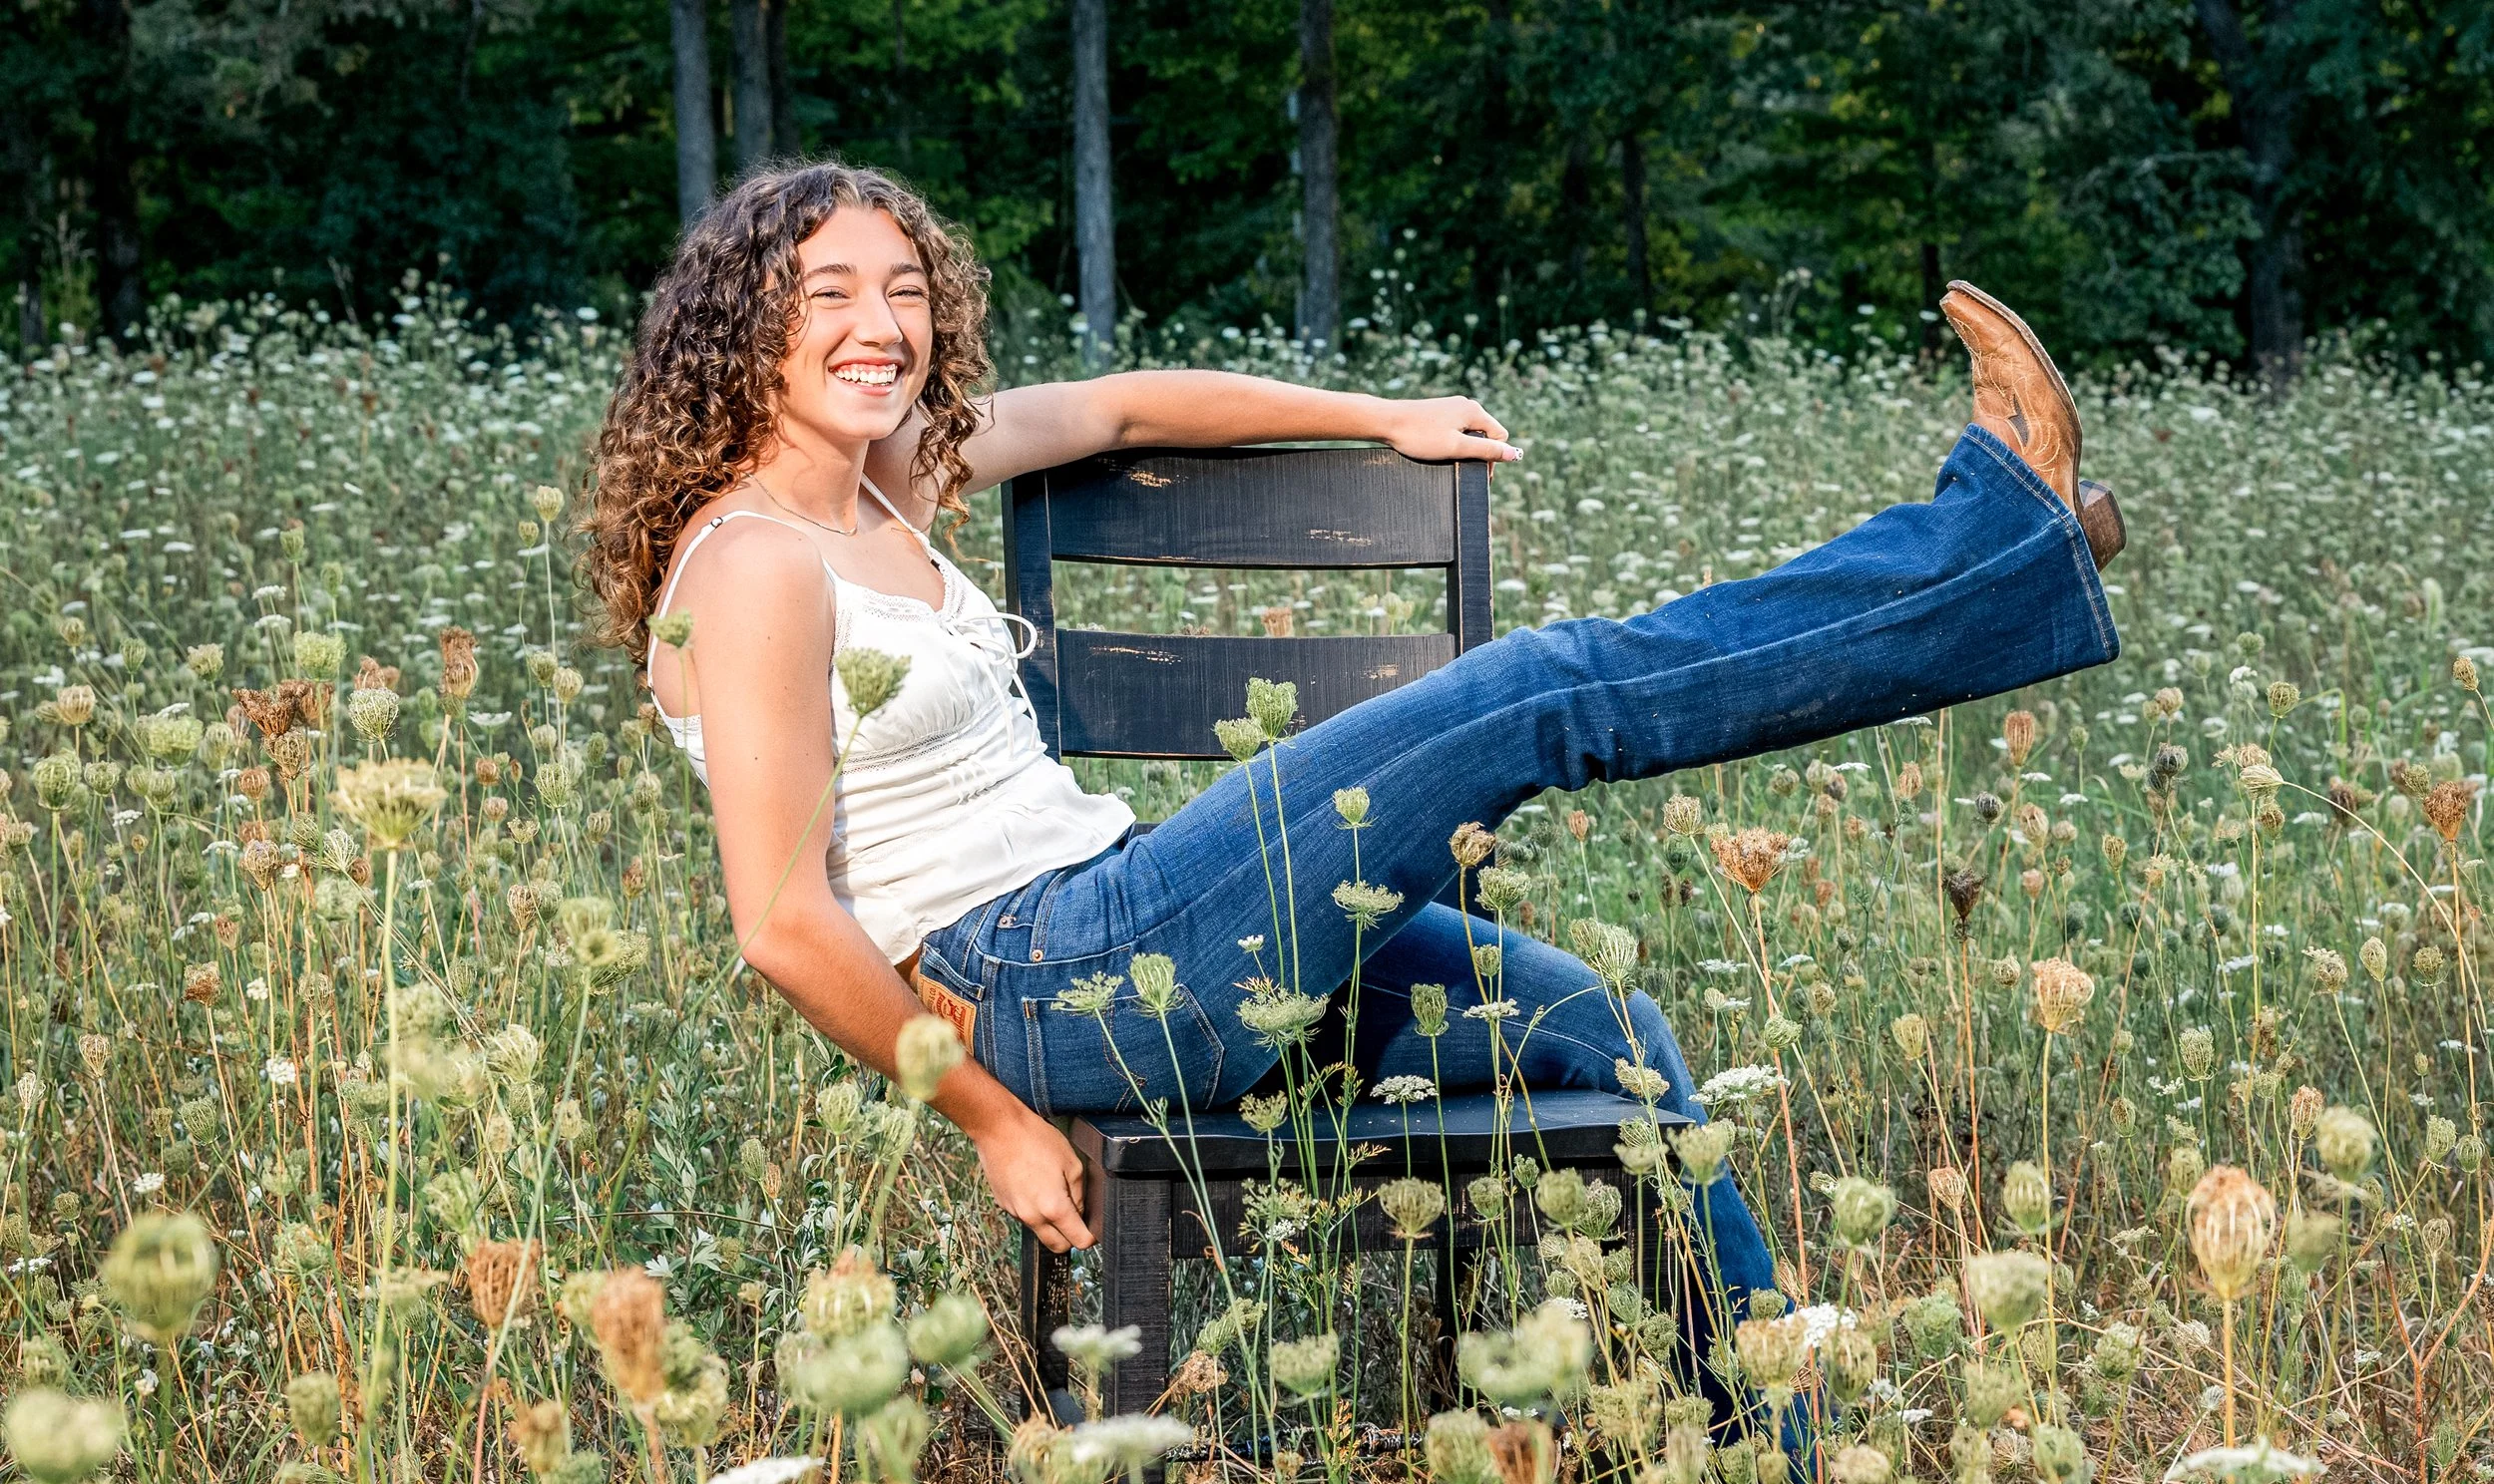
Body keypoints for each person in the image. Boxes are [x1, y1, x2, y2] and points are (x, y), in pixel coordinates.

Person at [583, 160, 2122, 1356]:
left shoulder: (895, 476)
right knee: (1539, 690)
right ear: (745, 322)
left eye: (906, 290)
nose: (882, 327)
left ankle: (1776, 1479)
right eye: (829, 291)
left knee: (1601, 1028)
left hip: (1123, 919)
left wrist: (1379, 415)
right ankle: (2000, 540)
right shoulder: (757, 563)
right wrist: (992, 1120)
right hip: (1047, 980)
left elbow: (1122, 401)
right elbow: (783, 923)